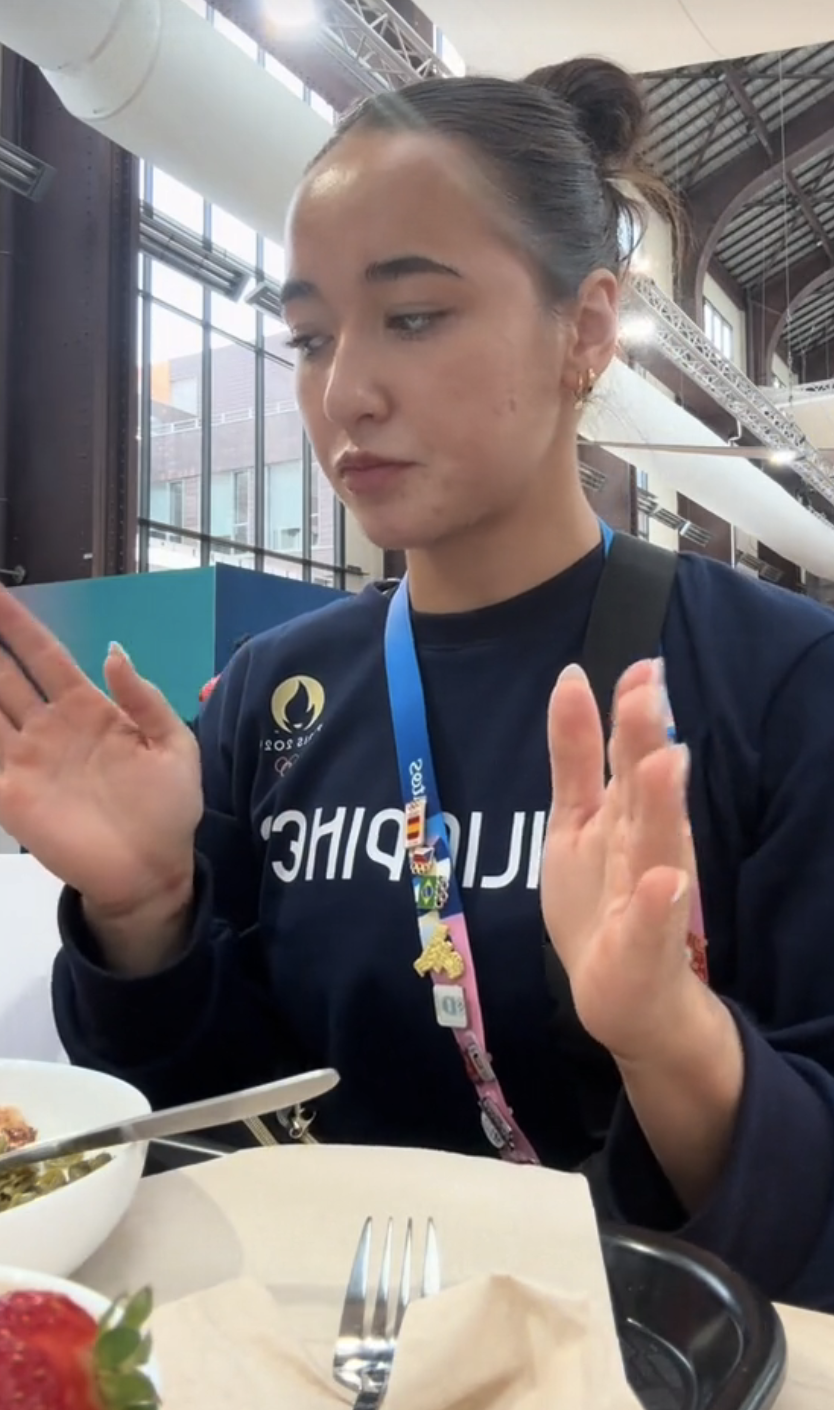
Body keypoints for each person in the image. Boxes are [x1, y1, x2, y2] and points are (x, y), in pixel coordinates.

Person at [0, 57, 833, 1311]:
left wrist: (670, 1034)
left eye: (415, 316)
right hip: (307, 1345)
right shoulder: (278, 696)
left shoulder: (774, 677)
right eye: (310, 337)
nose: (345, 393)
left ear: (587, 329)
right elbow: (213, 1123)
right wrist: (146, 911)